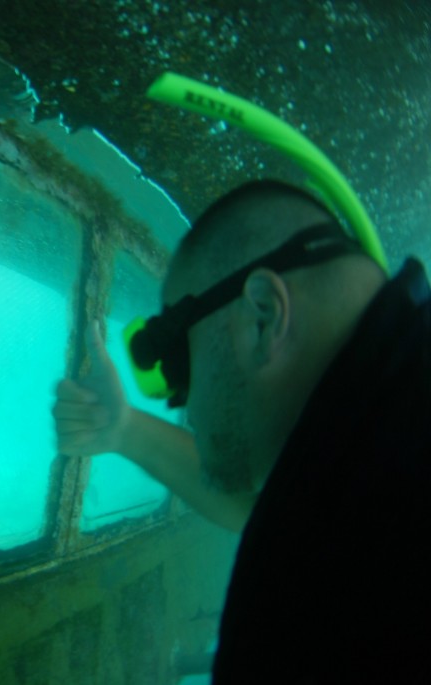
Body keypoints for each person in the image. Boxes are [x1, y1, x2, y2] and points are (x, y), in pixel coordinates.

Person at [54, 179, 431, 682]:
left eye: (178, 359)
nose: (178, 402)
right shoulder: (370, 466)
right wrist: (123, 429)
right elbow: (265, 506)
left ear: (262, 315)